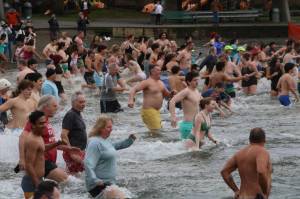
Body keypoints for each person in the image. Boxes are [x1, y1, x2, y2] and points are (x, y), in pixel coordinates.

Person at [19, 96, 74, 183]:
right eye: (54, 106)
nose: (57, 108)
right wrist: (22, 159)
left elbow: (47, 142)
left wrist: (68, 149)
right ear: (46, 107)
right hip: (42, 161)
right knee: (69, 182)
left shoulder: (45, 120)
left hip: (48, 162)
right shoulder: (36, 120)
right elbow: (22, 138)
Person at [84, 115, 136, 198]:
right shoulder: (95, 143)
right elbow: (88, 163)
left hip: (109, 184)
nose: (111, 129)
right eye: (108, 127)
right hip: (99, 185)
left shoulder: (104, 140)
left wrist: (129, 141)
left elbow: (114, 147)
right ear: (101, 128)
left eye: (111, 127)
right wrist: (95, 180)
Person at [221, 128, 272, 199]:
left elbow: (224, 172)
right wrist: (264, 193)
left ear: (249, 140)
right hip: (256, 196)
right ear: (264, 140)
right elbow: (261, 171)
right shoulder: (262, 152)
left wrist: (236, 190)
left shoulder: (239, 154)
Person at [128, 64, 174, 135]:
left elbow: (167, 95)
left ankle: (146, 143)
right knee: (157, 132)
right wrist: (131, 100)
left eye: (160, 70)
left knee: (156, 133)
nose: (160, 71)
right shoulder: (147, 82)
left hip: (156, 112)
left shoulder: (161, 83)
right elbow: (133, 89)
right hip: (148, 111)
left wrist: (173, 93)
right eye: (158, 70)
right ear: (152, 71)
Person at [169, 71, 202, 139]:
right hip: (188, 125)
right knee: (191, 148)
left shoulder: (196, 91)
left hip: (196, 124)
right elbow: (172, 101)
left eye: (198, 80)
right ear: (189, 82)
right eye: (195, 80)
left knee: (197, 147)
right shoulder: (186, 91)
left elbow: (202, 102)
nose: (197, 82)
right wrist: (173, 117)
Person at [22, 111, 46, 199]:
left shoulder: (39, 136)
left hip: (38, 179)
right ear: (33, 125)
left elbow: (41, 149)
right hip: (32, 182)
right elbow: (28, 164)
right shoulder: (32, 140)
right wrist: (37, 183)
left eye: (44, 122)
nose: (44, 125)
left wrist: (57, 144)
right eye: (40, 123)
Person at [61, 91, 87, 174]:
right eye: (80, 102)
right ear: (73, 102)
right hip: (73, 153)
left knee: (77, 177)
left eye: (84, 101)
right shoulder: (70, 115)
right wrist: (71, 152)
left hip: (79, 151)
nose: (83, 104)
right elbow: (63, 135)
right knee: (73, 177)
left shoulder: (77, 114)